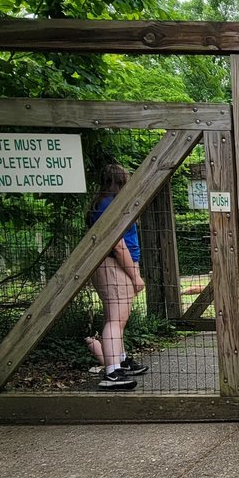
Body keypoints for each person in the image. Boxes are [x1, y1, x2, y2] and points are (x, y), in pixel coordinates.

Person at [87, 162, 150, 390]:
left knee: (115, 318)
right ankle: (112, 373)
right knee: (116, 320)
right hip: (114, 265)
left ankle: (120, 361)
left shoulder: (102, 203)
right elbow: (118, 245)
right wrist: (135, 276)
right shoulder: (110, 205)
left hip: (110, 265)